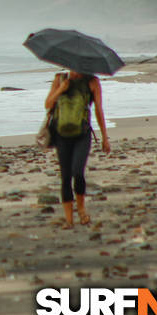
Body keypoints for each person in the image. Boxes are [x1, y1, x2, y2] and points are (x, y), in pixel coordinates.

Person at [44, 69, 110, 228]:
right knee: (66, 177)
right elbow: (48, 104)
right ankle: (69, 220)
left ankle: (81, 209)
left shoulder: (92, 82)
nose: (73, 70)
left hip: (82, 134)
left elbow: (98, 110)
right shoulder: (60, 79)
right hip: (61, 135)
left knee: (78, 173)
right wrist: (61, 89)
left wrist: (104, 137)